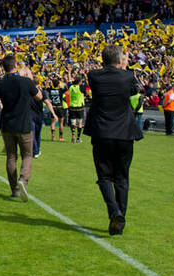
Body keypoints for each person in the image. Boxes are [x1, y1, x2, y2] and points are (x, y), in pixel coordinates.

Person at [84, 45, 142, 236]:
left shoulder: (93, 76)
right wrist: (124, 65)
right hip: (125, 133)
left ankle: (114, 212)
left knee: (104, 177)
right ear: (119, 60)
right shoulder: (127, 76)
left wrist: (118, 63)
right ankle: (120, 218)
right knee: (122, 178)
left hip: (102, 132)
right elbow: (134, 91)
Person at [0, 55, 42, 201]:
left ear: (3, 67)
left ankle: (14, 189)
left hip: (7, 124)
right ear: (16, 65)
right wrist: (29, 77)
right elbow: (39, 96)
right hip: (24, 124)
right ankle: (23, 178)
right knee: (27, 155)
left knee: (11, 156)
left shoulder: (0, 83)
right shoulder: (25, 81)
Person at [31, 76, 58, 158]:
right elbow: (48, 103)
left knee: (33, 133)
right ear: (39, 83)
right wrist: (53, 114)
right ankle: (36, 150)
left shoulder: (29, 91)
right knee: (37, 134)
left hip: (30, 114)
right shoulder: (42, 92)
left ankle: (36, 151)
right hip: (39, 114)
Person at [69, 77, 85, 143]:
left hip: (72, 106)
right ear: (79, 82)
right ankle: (78, 138)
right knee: (80, 122)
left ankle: (73, 135)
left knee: (73, 122)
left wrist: (69, 73)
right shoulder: (80, 88)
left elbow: (69, 81)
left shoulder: (71, 87)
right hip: (79, 107)